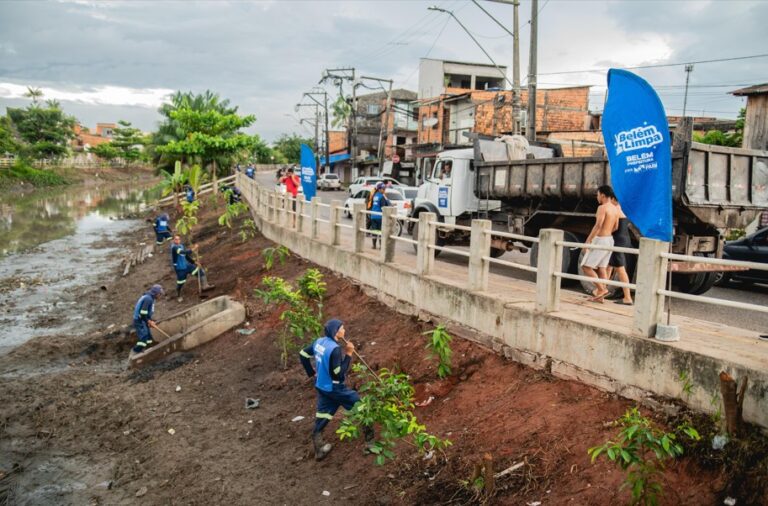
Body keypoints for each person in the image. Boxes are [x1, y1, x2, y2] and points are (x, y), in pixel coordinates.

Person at [299, 319, 374, 461]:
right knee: (361, 407)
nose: (344, 330)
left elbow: (303, 354)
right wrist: (349, 354)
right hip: (335, 388)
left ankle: (319, 449)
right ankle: (370, 443)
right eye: (342, 328)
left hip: (321, 385)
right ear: (336, 331)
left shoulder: (319, 342)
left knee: (323, 414)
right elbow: (338, 374)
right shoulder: (335, 349)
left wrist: (311, 373)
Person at [581, 185, 621, 302]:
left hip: (601, 240)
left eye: (597, 195)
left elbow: (598, 225)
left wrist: (588, 241)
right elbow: (616, 227)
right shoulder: (615, 209)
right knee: (602, 268)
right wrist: (607, 231)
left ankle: (601, 289)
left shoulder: (602, 208)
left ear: (603, 195)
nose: (597, 197)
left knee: (586, 267)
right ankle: (600, 298)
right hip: (610, 240)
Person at [170, 235, 214, 302]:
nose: (177, 240)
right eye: (176, 239)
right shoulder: (174, 248)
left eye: (178, 239)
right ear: (173, 240)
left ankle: (205, 286)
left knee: (200, 271)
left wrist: (194, 262)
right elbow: (183, 252)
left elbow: (186, 256)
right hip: (180, 269)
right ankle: (179, 295)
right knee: (181, 283)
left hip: (186, 266)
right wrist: (193, 249)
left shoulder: (181, 246)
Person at [607, 197, 634, 305]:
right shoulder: (622, 208)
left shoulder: (615, 209)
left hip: (617, 241)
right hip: (624, 239)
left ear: (613, 199)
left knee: (620, 269)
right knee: (609, 266)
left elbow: (614, 227)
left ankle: (627, 297)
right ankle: (602, 291)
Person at [132, 284, 164, 354]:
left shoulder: (151, 298)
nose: (160, 296)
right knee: (144, 336)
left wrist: (150, 320)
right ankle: (136, 351)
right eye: (159, 294)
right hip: (139, 320)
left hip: (143, 319)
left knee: (149, 336)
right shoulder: (148, 299)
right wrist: (148, 321)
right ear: (156, 293)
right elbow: (143, 313)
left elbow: (147, 312)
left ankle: (150, 347)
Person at [368, 182, 390, 249]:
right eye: (383, 189)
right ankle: (381, 246)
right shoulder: (382, 197)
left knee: (374, 231)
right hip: (379, 217)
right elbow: (383, 207)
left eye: (384, 189)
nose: (384, 190)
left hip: (373, 216)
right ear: (379, 189)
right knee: (380, 231)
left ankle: (374, 245)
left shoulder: (375, 195)